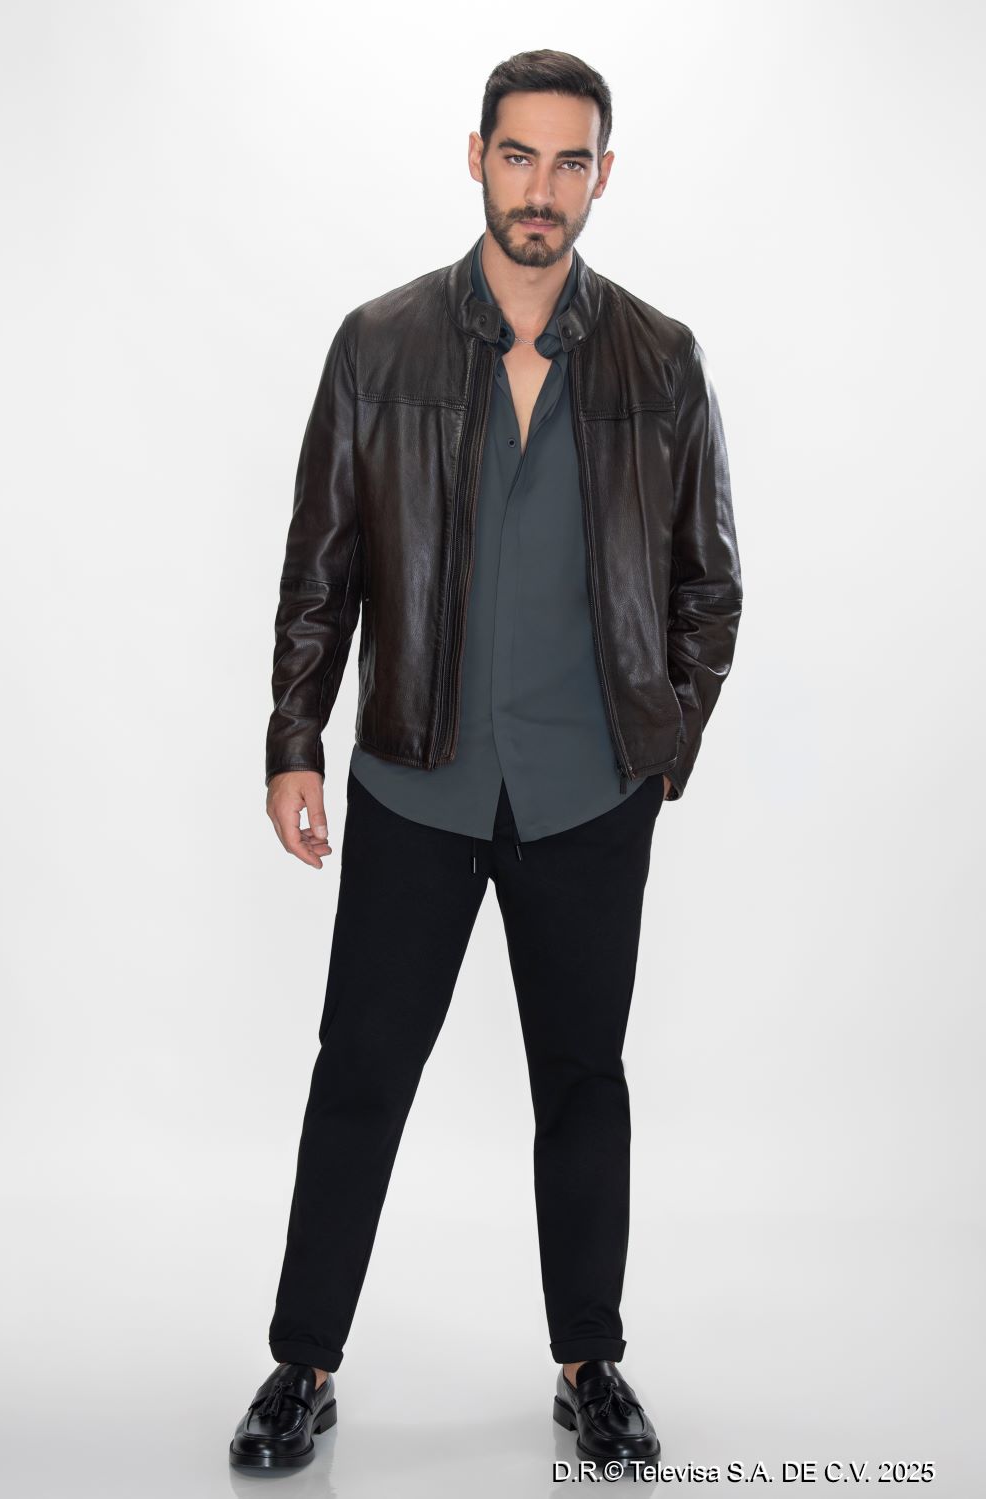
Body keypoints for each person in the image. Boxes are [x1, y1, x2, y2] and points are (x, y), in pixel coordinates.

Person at [229, 47, 742, 1472]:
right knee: (361, 1072)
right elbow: (320, 567)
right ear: (476, 158)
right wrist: (294, 740)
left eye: (571, 162)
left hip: (589, 794)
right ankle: (302, 1364)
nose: (542, 189)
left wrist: (662, 744)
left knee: (582, 1079)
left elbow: (709, 584)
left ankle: (591, 1364)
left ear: (603, 176)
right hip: (417, 775)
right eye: (519, 156)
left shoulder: (660, 360)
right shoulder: (380, 345)